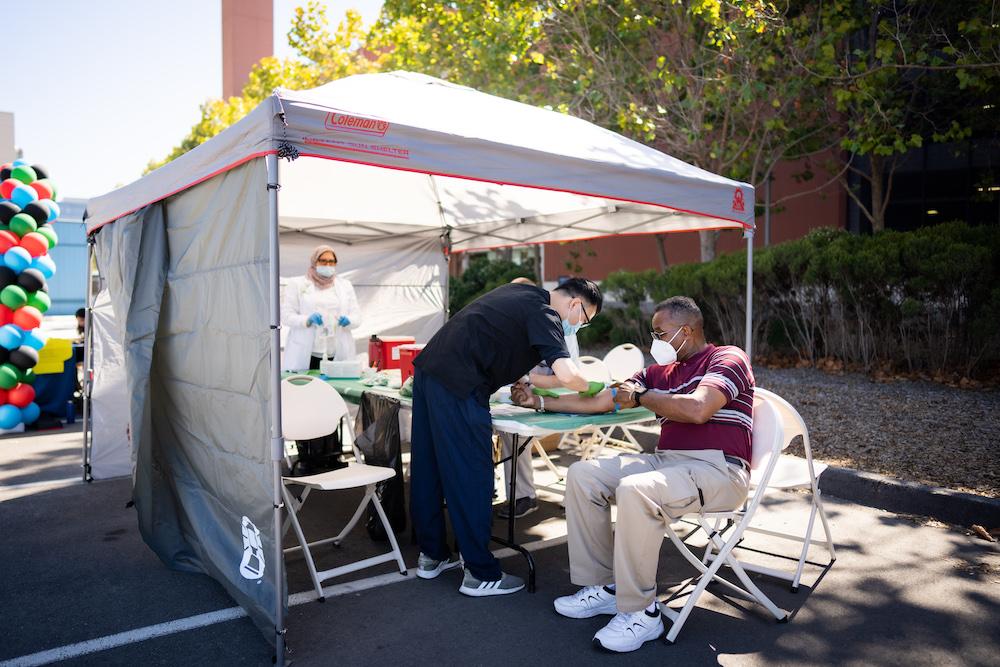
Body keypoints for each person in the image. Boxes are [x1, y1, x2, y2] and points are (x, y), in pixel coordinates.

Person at [511, 296, 754, 652]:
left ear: (686, 331)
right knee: (583, 475)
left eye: (660, 333)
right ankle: (605, 589)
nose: (655, 341)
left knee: (636, 489)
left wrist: (643, 396)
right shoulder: (657, 374)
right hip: (668, 461)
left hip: (718, 469)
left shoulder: (727, 358)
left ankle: (644, 612)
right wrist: (540, 402)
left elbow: (700, 408)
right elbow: (601, 401)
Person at [410, 277, 603, 596]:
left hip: (430, 371)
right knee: (472, 474)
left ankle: (432, 556)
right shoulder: (546, 314)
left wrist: (530, 382)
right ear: (574, 304)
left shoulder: (521, 293)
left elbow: (522, 363)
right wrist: (594, 387)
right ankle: (480, 574)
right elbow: (567, 374)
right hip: (461, 383)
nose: (580, 326)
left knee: (429, 469)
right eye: (584, 319)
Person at [498, 277, 580, 520]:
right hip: (521, 400)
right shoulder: (513, 326)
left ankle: (523, 496)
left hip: (555, 403)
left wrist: (529, 380)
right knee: (490, 424)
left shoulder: (561, 328)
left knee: (514, 432)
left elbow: (568, 378)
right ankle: (483, 489)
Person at [281, 245, 362, 372]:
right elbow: (286, 316)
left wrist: (349, 320)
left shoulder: (345, 286)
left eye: (331, 261)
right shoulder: (297, 284)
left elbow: (357, 316)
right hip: (308, 352)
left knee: (335, 389)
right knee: (307, 387)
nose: (327, 265)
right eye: (323, 261)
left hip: (336, 351)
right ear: (314, 262)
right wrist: (307, 320)